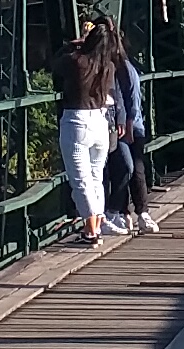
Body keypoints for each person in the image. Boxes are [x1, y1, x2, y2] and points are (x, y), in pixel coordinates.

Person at [53, 20, 123, 241]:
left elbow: (55, 63)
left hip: (76, 121)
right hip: (100, 123)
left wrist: (75, 44)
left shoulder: (77, 61)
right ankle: (96, 225)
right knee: (95, 177)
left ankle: (91, 230)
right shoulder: (108, 67)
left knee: (80, 180)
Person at [108, 34, 164, 234]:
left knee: (130, 168)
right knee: (126, 168)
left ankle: (135, 212)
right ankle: (126, 213)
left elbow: (132, 100)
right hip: (125, 126)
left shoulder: (124, 69)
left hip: (129, 127)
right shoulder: (120, 67)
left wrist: (129, 125)